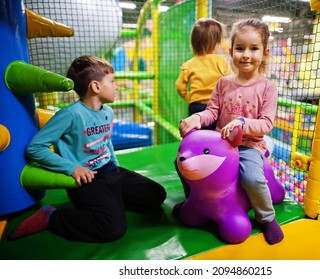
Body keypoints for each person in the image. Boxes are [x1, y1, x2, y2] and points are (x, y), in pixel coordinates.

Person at [9, 55, 166, 243]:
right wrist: (73, 168)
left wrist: (115, 167)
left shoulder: (107, 111)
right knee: (112, 229)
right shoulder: (70, 115)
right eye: (112, 81)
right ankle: (52, 216)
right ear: (96, 87)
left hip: (110, 171)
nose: (116, 86)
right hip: (87, 178)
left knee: (156, 195)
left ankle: (110, 203)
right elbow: (35, 148)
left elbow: (106, 141)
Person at [178, 18, 284, 245]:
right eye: (240, 48)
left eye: (254, 49)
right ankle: (195, 202)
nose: (246, 54)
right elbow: (212, 112)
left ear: (264, 53)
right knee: (182, 163)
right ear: (231, 51)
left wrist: (243, 123)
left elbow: (266, 123)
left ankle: (266, 217)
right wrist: (197, 117)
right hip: (222, 145)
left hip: (248, 146)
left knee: (253, 178)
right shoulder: (223, 83)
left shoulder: (268, 87)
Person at [175, 17, 232, 130]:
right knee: (217, 135)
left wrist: (189, 97)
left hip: (196, 107)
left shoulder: (189, 64)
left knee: (196, 135)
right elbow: (230, 82)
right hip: (216, 107)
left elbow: (179, 86)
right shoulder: (221, 61)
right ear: (215, 43)